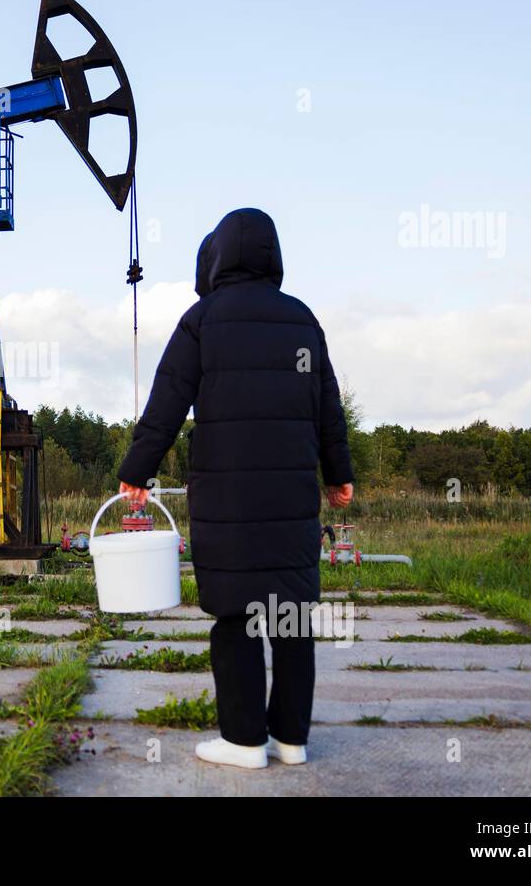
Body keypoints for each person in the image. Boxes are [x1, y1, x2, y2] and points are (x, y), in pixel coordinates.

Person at [116, 207, 354, 769]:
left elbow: (167, 402)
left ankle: (244, 740)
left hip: (228, 501)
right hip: (292, 497)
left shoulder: (203, 321)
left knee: (236, 618)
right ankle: (291, 740)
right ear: (273, 257)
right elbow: (329, 408)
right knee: (291, 616)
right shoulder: (302, 321)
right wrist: (338, 472)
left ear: (217, 258)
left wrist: (138, 469)